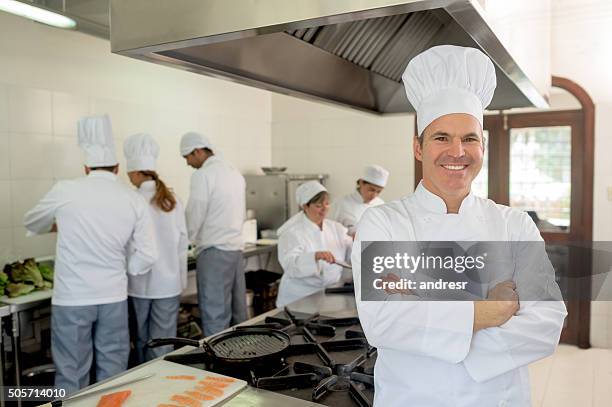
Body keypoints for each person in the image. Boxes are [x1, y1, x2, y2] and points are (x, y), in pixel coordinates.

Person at [351, 45, 567, 406]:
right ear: (418, 148)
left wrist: (427, 315)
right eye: (441, 138)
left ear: (482, 146)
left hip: (497, 399)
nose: (457, 152)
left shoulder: (514, 226)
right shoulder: (382, 223)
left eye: (469, 138)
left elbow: (546, 323)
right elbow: (383, 322)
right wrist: (489, 312)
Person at [23, 115, 157, 394]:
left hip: (73, 297)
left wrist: (58, 223)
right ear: (118, 167)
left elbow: (31, 221)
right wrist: (123, 270)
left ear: (85, 167)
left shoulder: (67, 190)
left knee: (71, 373)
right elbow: (147, 254)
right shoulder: (132, 199)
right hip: (113, 296)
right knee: (114, 374)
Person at [123, 133, 188, 362]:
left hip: (138, 283)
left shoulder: (130, 200)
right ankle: (160, 386)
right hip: (168, 284)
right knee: (163, 343)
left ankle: (142, 387)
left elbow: (123, 242)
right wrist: (180, 280)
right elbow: (183, 243)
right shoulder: (173, 200)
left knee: (141, 339)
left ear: (136, 172)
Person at [180, 131, 247, 336]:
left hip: (214, 252)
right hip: (235, 250)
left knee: (214, 314)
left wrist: (184, 240)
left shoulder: (203, 175)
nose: (188, 163)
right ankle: (243, 356)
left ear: (198, 151)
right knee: (239, 313)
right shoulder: (233, 171)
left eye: (188, 157)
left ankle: (217, 364)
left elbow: (195, 212)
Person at [276, 181, 353, 307]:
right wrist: (315, 256)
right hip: (299, 298)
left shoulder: (335, 228)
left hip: (330, 295)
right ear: (305, 206)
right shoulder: (292, 233)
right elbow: (290, 265)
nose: (324, 209)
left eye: (327, 204)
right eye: (318, 205)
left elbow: (353, 250)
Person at [329, 165, 389, 234]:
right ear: (361, 182)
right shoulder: (340, 203)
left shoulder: (381, 204)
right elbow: (329, 231)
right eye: (371, 190)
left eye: (378, 192)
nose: (374, 195)